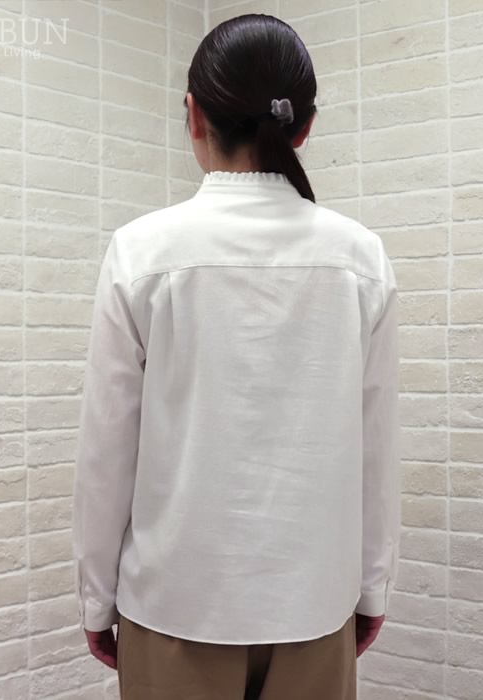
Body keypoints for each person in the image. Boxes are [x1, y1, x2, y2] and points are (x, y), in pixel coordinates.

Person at [71, 12, 401, 700]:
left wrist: (97, 599)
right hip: (315, 604)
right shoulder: (360, 257)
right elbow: (376, 445)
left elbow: (108, 450)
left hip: (173, 606)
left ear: (193, 114)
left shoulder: (142, 252)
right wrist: (371, 587)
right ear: (304, 127)